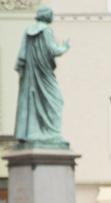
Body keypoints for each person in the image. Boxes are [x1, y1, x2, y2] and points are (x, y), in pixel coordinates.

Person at [13, 5, 70, 146]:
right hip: (44, 74)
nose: (53, 16)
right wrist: (64, 47)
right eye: (51, 14)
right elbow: (52, 50)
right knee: (57, 101)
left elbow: (22, 56)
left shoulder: (28, 31)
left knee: (33, 101)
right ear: (46, 15)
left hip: (32, 76)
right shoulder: (46, 30)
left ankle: (34, 132)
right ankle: (53, 134)